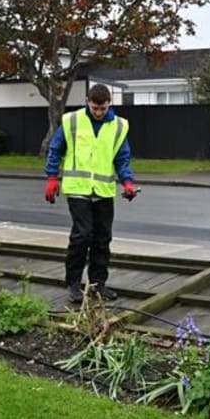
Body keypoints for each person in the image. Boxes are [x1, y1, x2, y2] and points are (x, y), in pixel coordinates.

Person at [44, 84, 138, 304]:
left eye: (102, 109)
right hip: (78, 188)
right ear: (88, 101)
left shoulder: (118, 126)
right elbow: (56, 149)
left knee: (102, 238)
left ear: (109, 104)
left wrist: (127, 182)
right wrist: (51, 177)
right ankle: (74, 284)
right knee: (82, 234)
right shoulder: (72, 121)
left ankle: (97, 284)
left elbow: (122, 158)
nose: (98, 113)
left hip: (103, 191)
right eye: (95, 108)